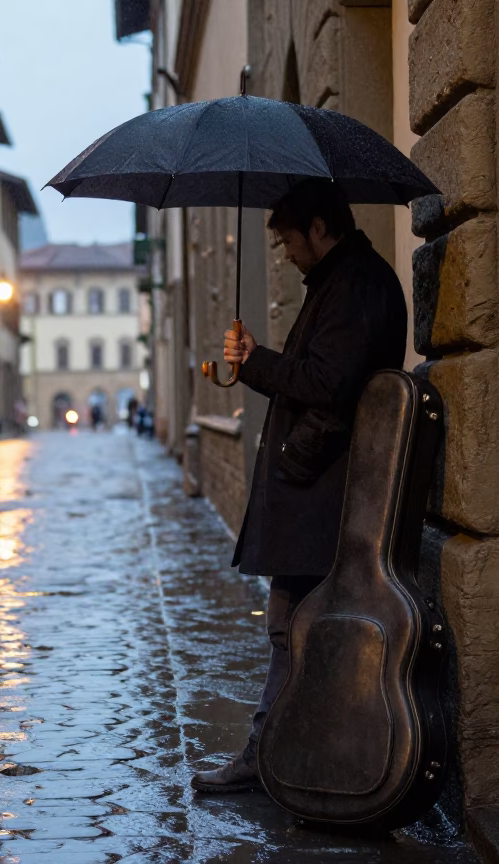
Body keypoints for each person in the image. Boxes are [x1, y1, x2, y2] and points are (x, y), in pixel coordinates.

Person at [191, 179, 407, 793]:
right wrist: (256, 362)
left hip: (325, 490)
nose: (284, 252)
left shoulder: (357, 283)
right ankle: (280, 752)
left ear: (318, 228)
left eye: (288, 238)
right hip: (317, 485)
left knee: (294, 626)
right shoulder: (341, 281)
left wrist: (256, 359)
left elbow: (325, 381)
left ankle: (273, 756)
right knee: (291, 625)